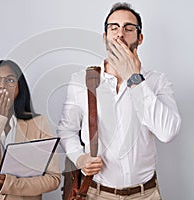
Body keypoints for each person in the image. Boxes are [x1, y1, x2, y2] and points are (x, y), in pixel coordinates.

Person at [57, 2, 181, 200]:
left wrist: (135, 80)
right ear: (105, 37)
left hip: (145, 194)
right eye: (113, 27)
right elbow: (66, 130)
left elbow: (167, 132)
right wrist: (79, 158)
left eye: (128, 28)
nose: (120, 33)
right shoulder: (81, 81)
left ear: (140, 38)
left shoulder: (157, 82)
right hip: (96, 193)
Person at [0, 60, 60, 200]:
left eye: (10, 80)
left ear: (19, 88)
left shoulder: (39, 122)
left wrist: (10, 184)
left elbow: (53, 178)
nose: (2, 85)